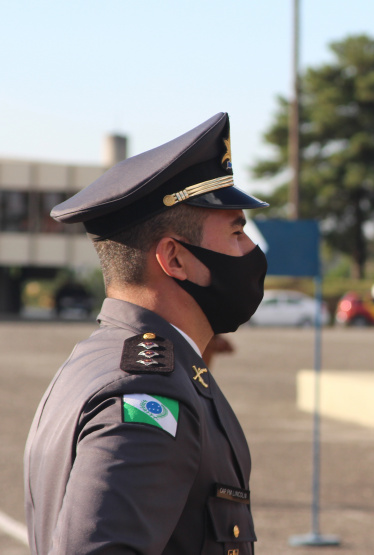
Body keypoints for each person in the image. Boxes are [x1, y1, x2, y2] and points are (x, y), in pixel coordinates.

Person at [24, 113, 267, 554]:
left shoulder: (100, 359)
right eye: (236, 233)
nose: (250, 251)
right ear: (174, 259)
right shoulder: (146, 390)